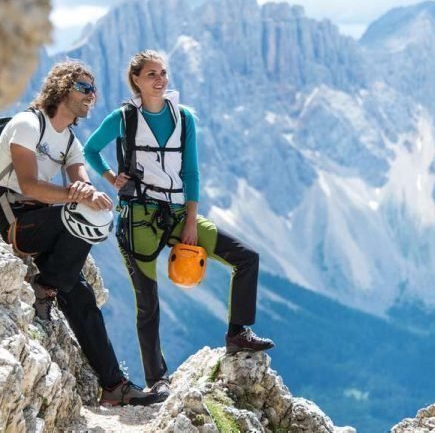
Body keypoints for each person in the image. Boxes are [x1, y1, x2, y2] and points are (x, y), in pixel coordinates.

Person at [84, 50, 274, 394]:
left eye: (163, 73)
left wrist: (190, 220)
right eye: (152, 74)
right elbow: (90, 150)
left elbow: (191, 172)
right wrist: (111, 178)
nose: (160, 79)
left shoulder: (184, 118)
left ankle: (238, 333)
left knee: (246, 257)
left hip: (175, 215)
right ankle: (157, 381)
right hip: (137, 220)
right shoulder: (123, 118)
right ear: (136, 81)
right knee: (148, 304)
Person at [0, 61, 167, 407]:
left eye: (94, 89)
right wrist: (78, 196)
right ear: (62, 88)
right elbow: (29, 184)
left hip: (45, 225)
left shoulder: (70, 140)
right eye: (85, 88)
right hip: (11, 220)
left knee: (82, 296)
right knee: (82, 214)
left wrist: (91, 195)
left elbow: (82, 184)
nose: (93, 95)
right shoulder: (28, 124)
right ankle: (47, 286)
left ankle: (114, 386)